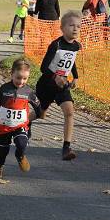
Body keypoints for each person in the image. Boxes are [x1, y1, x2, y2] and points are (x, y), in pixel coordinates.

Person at [35, 10, 82, 161]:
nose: (75, 29)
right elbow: (43, 67)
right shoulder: (56, 44)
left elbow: (71, 60)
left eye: (78, 26)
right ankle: (23, 125)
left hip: (62, 85)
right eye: (71, 25)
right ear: (62, 28)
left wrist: (75, 76)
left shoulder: (76, 46)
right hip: (47, 84)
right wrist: (55, 77)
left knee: (69, 112)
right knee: (40, 113)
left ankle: (66, 148)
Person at [0, 59, 41, 179]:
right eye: (18, 78)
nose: (21, 81)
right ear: (12, 74)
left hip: (20, 125)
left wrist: (36, 115)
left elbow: (38, 107)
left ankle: (20, 155)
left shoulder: (28, 91)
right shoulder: (4, 89)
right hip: (4, 126)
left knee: (22, 144)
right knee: (1, 152)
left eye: (25, 79)